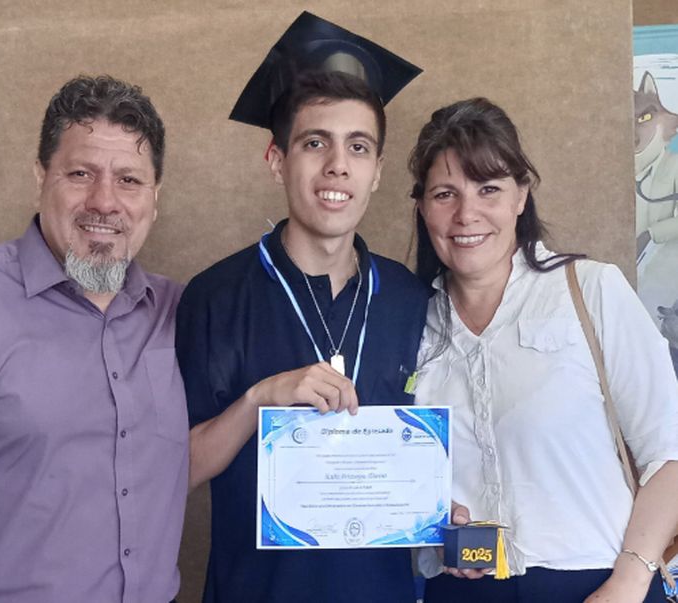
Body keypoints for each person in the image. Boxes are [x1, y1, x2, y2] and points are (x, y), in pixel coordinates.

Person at [175, 12, 429, 603]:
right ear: (276, 159)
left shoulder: (411, 299)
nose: (337, 165)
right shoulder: (215, 297)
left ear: (377, 172)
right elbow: (174, 471)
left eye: (358, 147)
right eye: (315, 142)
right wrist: (258, 399)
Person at [0, 75, 188, 602]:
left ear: (154, 198)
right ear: (41, 176)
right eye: (81, 173)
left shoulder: (176, 313)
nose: (104, 201)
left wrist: (259, 400)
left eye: (129, 180)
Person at [409, 97, 678, 603]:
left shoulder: (590, 290)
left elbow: (671, 453)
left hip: (599, 583)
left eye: (489, 189)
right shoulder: (409, 324)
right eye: (445, 194)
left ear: (521, 195)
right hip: (464, 590)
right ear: (422, 206)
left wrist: (628, 582)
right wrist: (430, 525)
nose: (467, 214)